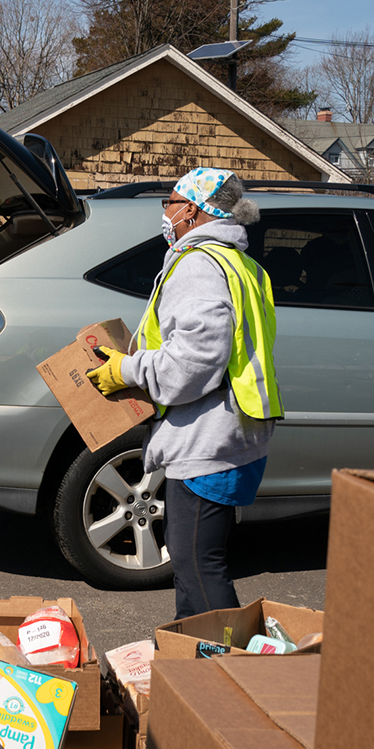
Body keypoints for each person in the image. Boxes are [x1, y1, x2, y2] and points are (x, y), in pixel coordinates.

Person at [85, 167, 283, 618]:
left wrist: (127, 370)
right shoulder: (239, 262)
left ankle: (234, 666)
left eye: (169, 202)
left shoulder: (198, 263)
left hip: (208, 439)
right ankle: (190, 660)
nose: (165, 211)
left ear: (192, 210)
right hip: (232, 432)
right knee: (193, 559)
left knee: (198, 564)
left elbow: (194, 360)